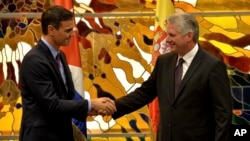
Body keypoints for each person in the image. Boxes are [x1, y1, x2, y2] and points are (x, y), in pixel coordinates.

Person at [112, 12, 232, 141]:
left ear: (189, 36)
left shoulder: (212, 66)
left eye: (172, 35)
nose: (167, 39)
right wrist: (113, 106)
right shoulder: (164, 61)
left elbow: (223, 114)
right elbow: (144, 93)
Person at [19, 6, 116, 141]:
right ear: (51, 30)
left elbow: (67, 97)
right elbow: (52, 105)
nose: (73, 34)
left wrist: (89, 110)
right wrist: (90, 104)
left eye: (73, 29)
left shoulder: (61, 55)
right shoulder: (34, 60)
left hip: (62, 134)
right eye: (68, 30)